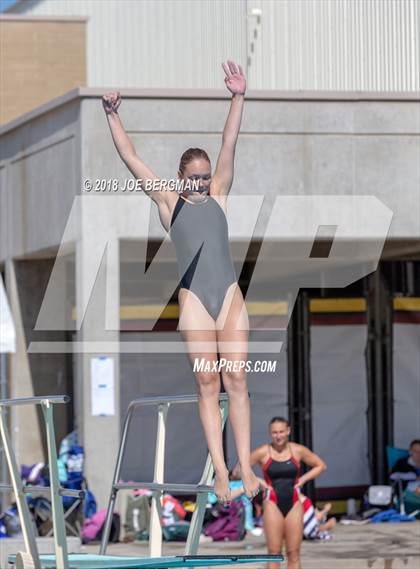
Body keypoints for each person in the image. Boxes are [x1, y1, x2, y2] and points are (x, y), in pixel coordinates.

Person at [102, 60, 260, 505]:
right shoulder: (169, 201)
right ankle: (220, 472)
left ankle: (245, 466)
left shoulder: (220, 193)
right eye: (195, 176)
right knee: (208, 385)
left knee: (238, 382)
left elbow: (230, 141)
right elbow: (131, 157)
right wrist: (113, 114)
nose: (203, 182)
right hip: (194, 301)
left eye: (207, 176)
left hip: (228, 296)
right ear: (180, 178)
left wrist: (238, 96)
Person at [234, 417, 326, 569]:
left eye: (281, 431)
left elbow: (320, 466)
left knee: (294, 553)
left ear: (288, 431)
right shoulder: (263, 452)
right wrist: (258, 481)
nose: (278, 436)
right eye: (274, 432)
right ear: (270, 434)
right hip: (272, 503)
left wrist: (302, 480)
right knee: (274, 553)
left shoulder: (297, 450)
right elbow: (237, 471)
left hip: (295, 502)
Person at [390, 439, 420, 518]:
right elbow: (393, 476)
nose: (418, 454)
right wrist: (412, 476)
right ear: (410, 451)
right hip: (408, 496)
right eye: (415, 451)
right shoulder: (402, 463)